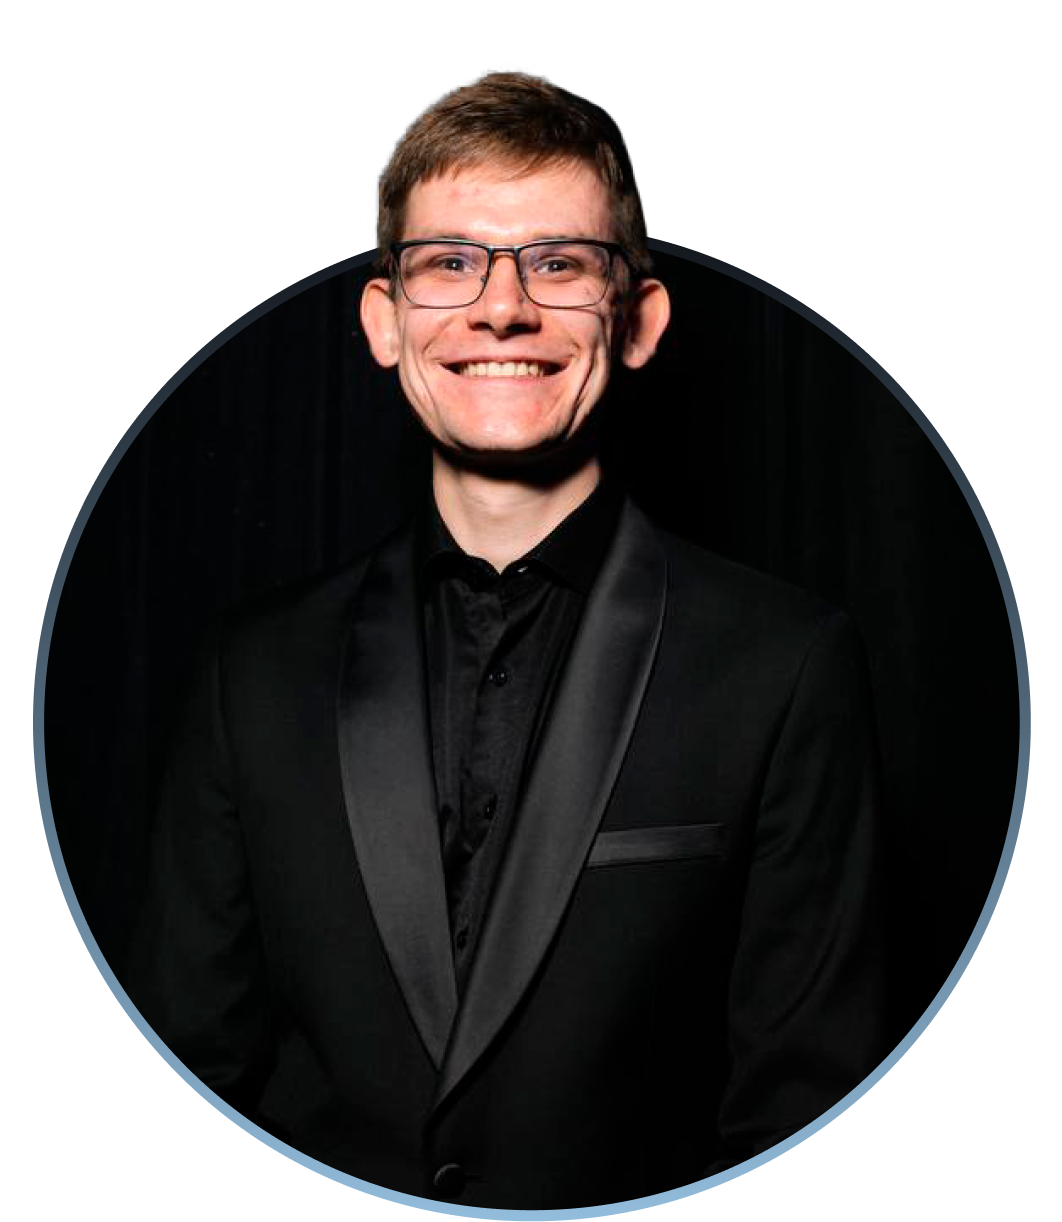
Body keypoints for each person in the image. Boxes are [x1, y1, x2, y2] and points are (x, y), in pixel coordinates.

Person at [128, 71, 884, 1209]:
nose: (501, 309)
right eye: (450, 262)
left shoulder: (787, 663)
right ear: (385, 322)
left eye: (559, 263)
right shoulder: (251, 671)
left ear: (638, 320)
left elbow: (807, 1110)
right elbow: (189, 1073)